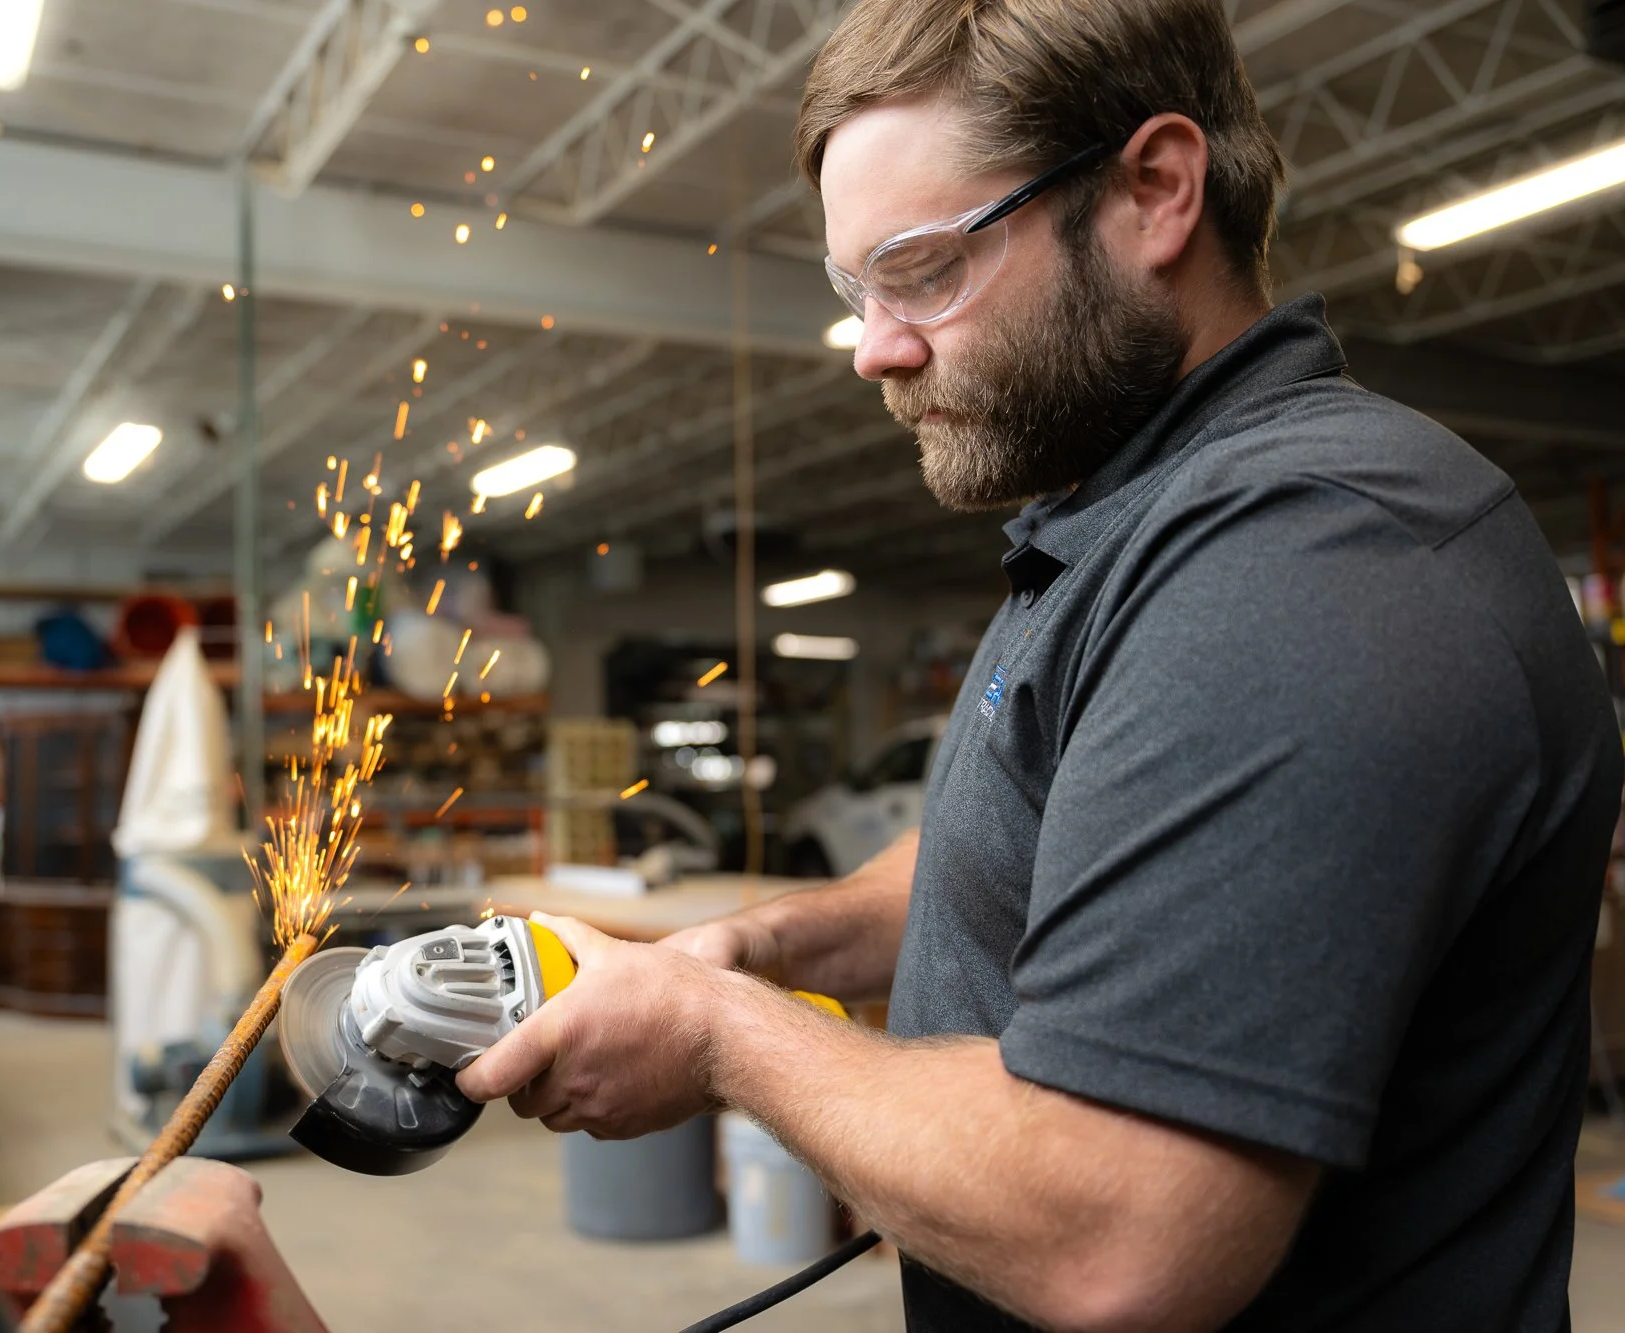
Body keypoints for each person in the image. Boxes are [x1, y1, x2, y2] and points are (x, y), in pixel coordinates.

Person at [454, 1, 1623, 1330]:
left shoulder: (1308, 562)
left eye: (921, 268)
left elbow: (1121, 1236)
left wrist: (720, 1036)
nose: (876, 348)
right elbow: (1035, 850)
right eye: (855, 291)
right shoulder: (1124, 527)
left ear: (1153, 190)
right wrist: (759, 946)